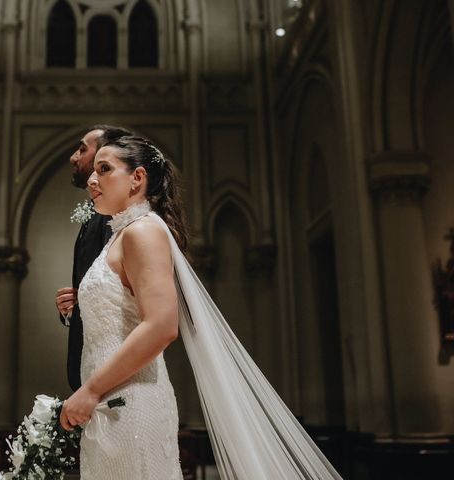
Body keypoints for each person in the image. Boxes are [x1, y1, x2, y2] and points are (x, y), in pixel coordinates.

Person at [60, 137, 343, 479]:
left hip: (129, 403)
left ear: (137, 178)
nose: (92, 180)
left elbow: (162, 326)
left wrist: (89, 390)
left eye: (104, 170)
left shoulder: (143, 232)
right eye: (94, 171)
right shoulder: (123, 236)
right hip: (110, 404)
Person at [55, 125, 131, 391]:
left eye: (82, 149)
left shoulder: (125, 219)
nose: (74, 157)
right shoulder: (95, 213)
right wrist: (75, 302)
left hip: (114, 370)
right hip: (89, 363)